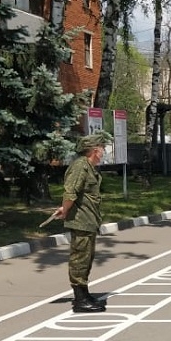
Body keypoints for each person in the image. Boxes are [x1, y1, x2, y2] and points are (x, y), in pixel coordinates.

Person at [55, 132, 113, 313]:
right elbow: (71, 191)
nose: (103, 152)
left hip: (88, 220)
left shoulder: (88, 166)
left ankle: (84, 294)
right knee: (80, 259)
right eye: (102, 148)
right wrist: (65, 209)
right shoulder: (80, 166)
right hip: (80, 220)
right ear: (95, 150)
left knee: (86, 258)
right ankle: (80, 300)